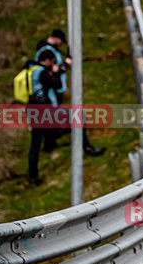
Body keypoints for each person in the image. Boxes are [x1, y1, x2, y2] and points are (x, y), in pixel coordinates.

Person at [35, 28, 104, 157]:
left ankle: (51, 142)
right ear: (56, 38)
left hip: (51, 98)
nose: (61, 44)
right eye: (61, 41)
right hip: (51, 97)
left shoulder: (45, 49)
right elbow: (51, 75)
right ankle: (85, 146)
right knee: (77, 118)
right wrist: (65, 65)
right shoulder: (47, 53)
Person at [26, 48, 59, 185]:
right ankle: (33, 175)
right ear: (46, 60)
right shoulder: (42, 72)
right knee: (36, 141)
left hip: (32, 106)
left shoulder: (31, 69)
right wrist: (55, 73)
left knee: (36, 140)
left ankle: (33, 174)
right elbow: (56, 84)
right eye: (50, 62)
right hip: (40, 108)